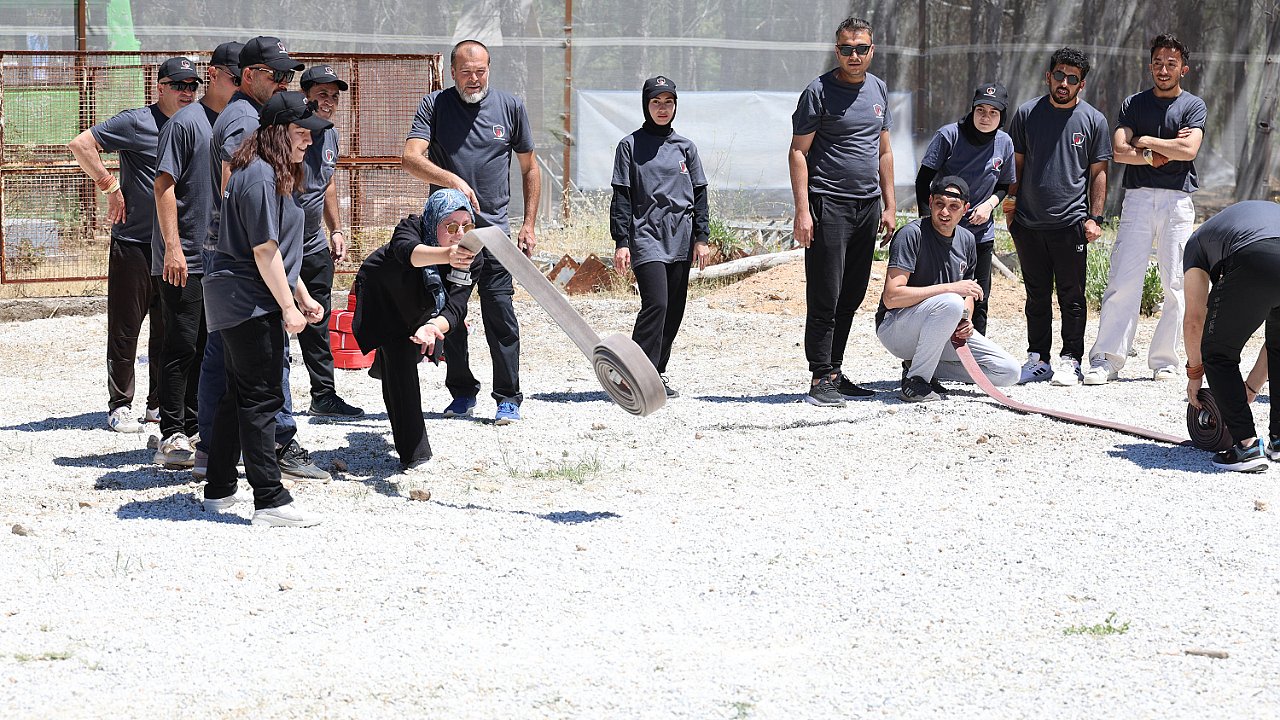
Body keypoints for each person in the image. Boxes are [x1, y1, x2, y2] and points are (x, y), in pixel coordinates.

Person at [196, 36, 329, 482]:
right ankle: (270, 474)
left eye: (287, 76)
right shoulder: (250, 139)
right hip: (246, 283)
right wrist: (289, 304)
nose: (283, 82)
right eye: (276, 76)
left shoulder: (271, 152)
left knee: (238, 381)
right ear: (249, 74)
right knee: (257, 387)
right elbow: (259, 235)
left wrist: (297, 292)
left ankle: (216, 466)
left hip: (253, 279)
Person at [403, 39, 540, 425]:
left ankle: (508, 398)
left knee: (500, 313)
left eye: (480, 71)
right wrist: (451, 180)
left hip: (495, 235)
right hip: (451, 238)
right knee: (453, 315)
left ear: (489, 68)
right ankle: (462, 393)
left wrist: (528, 224)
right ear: (452, 72)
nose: (474, 78)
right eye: (466, 72)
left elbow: (530, 167)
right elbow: (410, 157)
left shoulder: (510, 107)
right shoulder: (435, 105)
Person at [68, 57, 198, 432]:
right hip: (135, 242)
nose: (187, 92)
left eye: (193, 85)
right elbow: (81, 144)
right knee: (126, 328)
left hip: (175, 245)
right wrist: (109, 186)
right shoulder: (137, 121)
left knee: (169, 328)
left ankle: (157, 404)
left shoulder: (197, 125)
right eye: (179, 85)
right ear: (161, 88)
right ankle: (120, 404)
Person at [1084, 33, 1207, 386]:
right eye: (1157, 63)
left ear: (1183, 69)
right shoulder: (1133, 104)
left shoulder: (1193, 106)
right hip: (1137, 198)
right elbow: (1119, 151)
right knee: (1124, 280)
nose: (1163, 70)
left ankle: (1165, 361)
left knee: (1176, 283)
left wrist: (1146, 141)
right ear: (1150, 65)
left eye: (1171, 64)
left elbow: (1189, 151)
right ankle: (1106, 358)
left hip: (1177, 202)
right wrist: (1160, 152)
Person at [789, 16, 896, 408]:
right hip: (827, 204)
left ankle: (835, 370)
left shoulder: (879, 89)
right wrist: (803, 212)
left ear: (872, 50)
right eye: (847, 48)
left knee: (850, 294)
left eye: (862, 48)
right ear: (837, 51)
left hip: (867, 207)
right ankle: (819, 377)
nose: (855, 55)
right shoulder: (818, 92)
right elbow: (798, 151)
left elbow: (883, 150)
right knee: (825, 294)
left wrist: (890, 205)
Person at [150, 41, 243, 468]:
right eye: (237, 74)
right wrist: (172, 248)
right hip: (185, 255)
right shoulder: (186, 123)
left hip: (222, 258)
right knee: (181, 345)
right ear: (219, 74)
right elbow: (164, 185)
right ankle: (171, 433)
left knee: (211, 347)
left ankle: (197, 427)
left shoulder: (236, 121)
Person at [1006, 47, 1112, 387]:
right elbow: (1016, 165)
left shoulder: (1094, 120)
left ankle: (1071, 360)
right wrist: (1011, 208)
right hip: (1029, 223)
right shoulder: (1026, 114)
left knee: (1072, 295)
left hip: (1071, 225)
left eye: (1072, 79)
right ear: (1048, 76)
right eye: (1059, 75)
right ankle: (1038, 359)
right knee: (1036, 295)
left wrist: (1095, 217)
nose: (1063, 83)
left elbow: (1098, 172)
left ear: (1081, 85)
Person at [351, 190, 478, 470]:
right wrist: (448, 255)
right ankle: (415, 454)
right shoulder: (410, 228)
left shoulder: (473, 254)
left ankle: (386, 362)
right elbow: (408, 253)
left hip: (423, 303)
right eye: (451, 226)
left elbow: (456, 307)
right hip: (386, 296)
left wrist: (432, 327)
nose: (460, 234)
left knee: (409, 352)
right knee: (399, 361)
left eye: (467, 226)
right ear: (433, 223)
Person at [610, 75, 711, 398]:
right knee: (657, 303)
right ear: (645, 104)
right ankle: (631, 373)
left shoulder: (686, 148)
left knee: (675, 309)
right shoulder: (630, 146)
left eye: (668, 102)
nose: (662, 108)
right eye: (656, 102)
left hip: (680, 238)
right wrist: (621, 242)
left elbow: (700, 195)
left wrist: (701, 238)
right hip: (646, 235)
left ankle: (655, 373)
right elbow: (622, 197)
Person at [876, 176, 1021, 402]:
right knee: (951, 300)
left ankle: (922, 365)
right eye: (939, 204)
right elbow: (892, 297)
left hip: (940, 328)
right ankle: (916, 382)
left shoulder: (967, 240)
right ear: (931, 202)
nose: (945, 212)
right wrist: (951, 290)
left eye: (953, 207)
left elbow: (968, 294)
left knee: (1009, 371)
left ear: (965, 209)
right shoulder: (911, 234)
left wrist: (965, 320)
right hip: (896, 328)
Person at [1183, 201, 1280, 473]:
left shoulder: (1195, 245)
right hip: (1263, 250)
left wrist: (1195, 373)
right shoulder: (1241, 223)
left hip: (1255, 255)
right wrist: (1249, 388)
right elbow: (1272, 349)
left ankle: (1247, 446)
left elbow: (1194, 320)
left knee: (1217, 352)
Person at [915, 82, 1015, 336]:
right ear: (972, 110)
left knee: (978, 298)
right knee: (938, 296)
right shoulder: (949, 136)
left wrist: (990, 205)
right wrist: (930, 224)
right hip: (945, 235)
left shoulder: (1005, 143)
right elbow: (922, 180)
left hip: (980, 234)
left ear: (1002, 116)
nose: (986, 117)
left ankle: (974, 358)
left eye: (994, 112)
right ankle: (922, 360)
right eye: (980, 110)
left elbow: (1004, 184)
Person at [296, 65, 363, 418]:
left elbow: (328, 183)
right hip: (280, 247)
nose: (329, 102)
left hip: (314, 244)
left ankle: (323, 395)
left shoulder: (331, 136)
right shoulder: (287, 131)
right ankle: (272, 401)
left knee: (317, 319)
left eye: (334, 97)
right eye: (322, 94)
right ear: (305, 95)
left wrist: (335, 229)